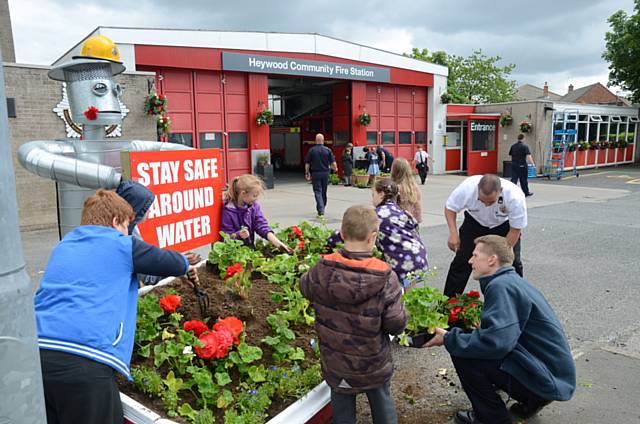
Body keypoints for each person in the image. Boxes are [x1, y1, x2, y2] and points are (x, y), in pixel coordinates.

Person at [35, 189, 194, 424]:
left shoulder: (64, 245)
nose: (128, 232)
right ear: (115, 221)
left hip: (36, 353)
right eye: (127, 225)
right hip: (85, 359)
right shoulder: (121, 244)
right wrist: (186, 265)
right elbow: (172, 262)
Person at [425, 235, 576, 424]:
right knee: (470, 340)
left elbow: (495, 344)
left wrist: (448, 338)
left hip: (546, 379)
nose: (470, 260)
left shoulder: (501, 286)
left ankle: (491, 417)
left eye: (475, 255)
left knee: (463, 351)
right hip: (552, 374)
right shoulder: (512, 281)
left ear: (491, 259)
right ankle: (532, 400)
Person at [300, 204, 408, 424]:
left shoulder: (322, 268)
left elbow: (305, 287)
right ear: (373, 237)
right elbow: (395, 323)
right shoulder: (385, 276)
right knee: (382, 403)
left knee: (342, 408)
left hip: (336, 361)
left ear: (341, 233)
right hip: (372, 362)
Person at [327, 178, 428, 288]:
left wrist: (330, 240)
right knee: (410, 297)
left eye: (373, 195)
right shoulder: (402, 212)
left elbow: (353, 230)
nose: (372, 199)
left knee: (397, 295)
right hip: (418, 256)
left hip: (402, 263)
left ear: (381, 194)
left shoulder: (377, 215)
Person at [443, 174, 526, 297]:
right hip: (474, 223)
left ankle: (516, 300)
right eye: (482, 201)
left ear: (501, 191)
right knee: (461, 261)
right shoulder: (467, 187)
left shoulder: (515, 196)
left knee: (511, 263)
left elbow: (515, 230)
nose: (486, 205)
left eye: (491, 202)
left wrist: (502, 254)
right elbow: (450, 208)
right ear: (477, 188)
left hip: (503, 226)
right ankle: (448, 304)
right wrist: (453, 234)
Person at [116, 180, 201, 285]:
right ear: (136, 210)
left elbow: (147, 262)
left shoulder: (127, 227)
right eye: (146, 208)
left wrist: (176, 265)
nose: (149, 211)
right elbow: (146, 269)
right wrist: (179, 264)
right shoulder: (125, 238)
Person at [221, 174, 291, 252]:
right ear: (243, 194)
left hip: (249, 248)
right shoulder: (228, 211)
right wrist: (238, 235)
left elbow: (261, 225)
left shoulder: (254, 207)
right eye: (254, 196)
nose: (256, 199)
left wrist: (277, 243)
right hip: (233, 252)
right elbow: (225, 236)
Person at [305, 133, 338, 217]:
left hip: (315, 173)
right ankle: (322, 206)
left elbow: (307, 163)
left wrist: (307, 173)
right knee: (323, 191)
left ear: (315, 141)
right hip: (325, 173)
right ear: (323, 141)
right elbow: (333, 162)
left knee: (317, 191)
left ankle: (321, 209)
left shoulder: (312, 150)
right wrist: (335, 169)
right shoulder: (328, 150)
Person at [391, 158, 422, 223]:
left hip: (397, 222)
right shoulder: (414, 186)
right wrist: (418, 219)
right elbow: (417, 205)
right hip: (411, 222)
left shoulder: (394, 187)